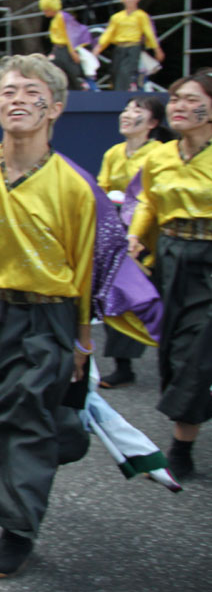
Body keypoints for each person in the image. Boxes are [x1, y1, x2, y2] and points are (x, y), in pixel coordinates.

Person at [0, 54, 160, 578]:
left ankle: (17, 530)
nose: (16, 100)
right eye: (7, 91)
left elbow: (84, 270)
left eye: (30, 91)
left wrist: (81, 341)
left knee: (16, 420)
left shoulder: (75, 187)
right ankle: (61, 434)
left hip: (45, 321)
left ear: (55, 107)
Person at [127, 71, 212, 479]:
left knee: (197, 350)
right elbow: (148, 203)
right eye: (174, 99)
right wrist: (133, 237)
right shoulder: (158, 156)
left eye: (189, 99)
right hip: (172, 257)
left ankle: (180, 445)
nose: (177, 106)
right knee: (174, 351)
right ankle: (186, 430)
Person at [96, 95, 174, 388]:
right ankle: (123, 366)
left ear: (153, 123)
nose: (128, 113)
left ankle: (177, 366)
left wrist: (136, 229)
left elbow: (151, 198)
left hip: (156, 238)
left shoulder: (162, 154)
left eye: (137, 109)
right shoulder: (113, 153)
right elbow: (101, 189)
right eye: (127, 108)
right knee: (118, 296)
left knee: (168, 304)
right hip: (122, 238)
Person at [94, 0, 165, 91]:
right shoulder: (117, 17)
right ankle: (116, 93)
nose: (130, 0)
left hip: (134, 47)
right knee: (114, 71)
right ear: (123, 0)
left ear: (137, 0)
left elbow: (149, 33)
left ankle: (121, 96)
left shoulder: (142, 16)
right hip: (119, 48)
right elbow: (108, 34)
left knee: (125, 72)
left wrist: (157, 49)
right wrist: (98, 48)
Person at [39, 0, 89, 91]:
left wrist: (73, 51)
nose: (44, 12)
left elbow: (70, 35)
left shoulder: (63, 17)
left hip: (66, 49)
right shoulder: (55, 19)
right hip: (58, 49)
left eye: (45, 9)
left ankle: (80, 88)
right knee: (56, 70)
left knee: (71, 72)